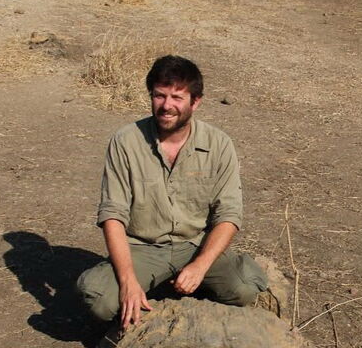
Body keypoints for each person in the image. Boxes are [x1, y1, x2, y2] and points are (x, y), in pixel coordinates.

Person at [77, 55, 268, 329]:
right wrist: (128, 281)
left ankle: (190, 281)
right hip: (142, 247)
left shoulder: (219, 144)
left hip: (194, 244)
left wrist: (200, 265)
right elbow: (113, 216)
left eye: (177, 97)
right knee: (98, 301)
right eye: (159, 96)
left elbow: (229, 215)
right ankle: (150, 284)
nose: (167, 106)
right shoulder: (125, 141)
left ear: (196, 101)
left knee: (246, 288)